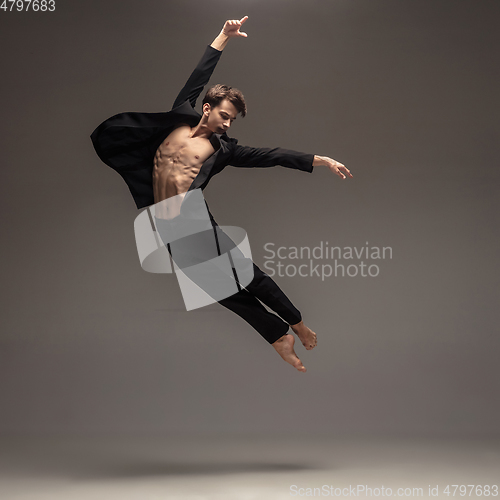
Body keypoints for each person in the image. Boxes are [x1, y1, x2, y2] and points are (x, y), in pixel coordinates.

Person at [90, 16, 353, 373]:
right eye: (225, 116)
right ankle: (278, 335)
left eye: (233, 121)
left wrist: (320, 160)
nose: (228, 124)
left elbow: (270, 156)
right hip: (163, 226)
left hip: (192, 218)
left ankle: (296, 322)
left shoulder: (223, 150)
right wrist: (224, 36)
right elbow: (199, 74)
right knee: (218, 289)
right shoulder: (179, 116)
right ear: (207, 108)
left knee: (246, 275)